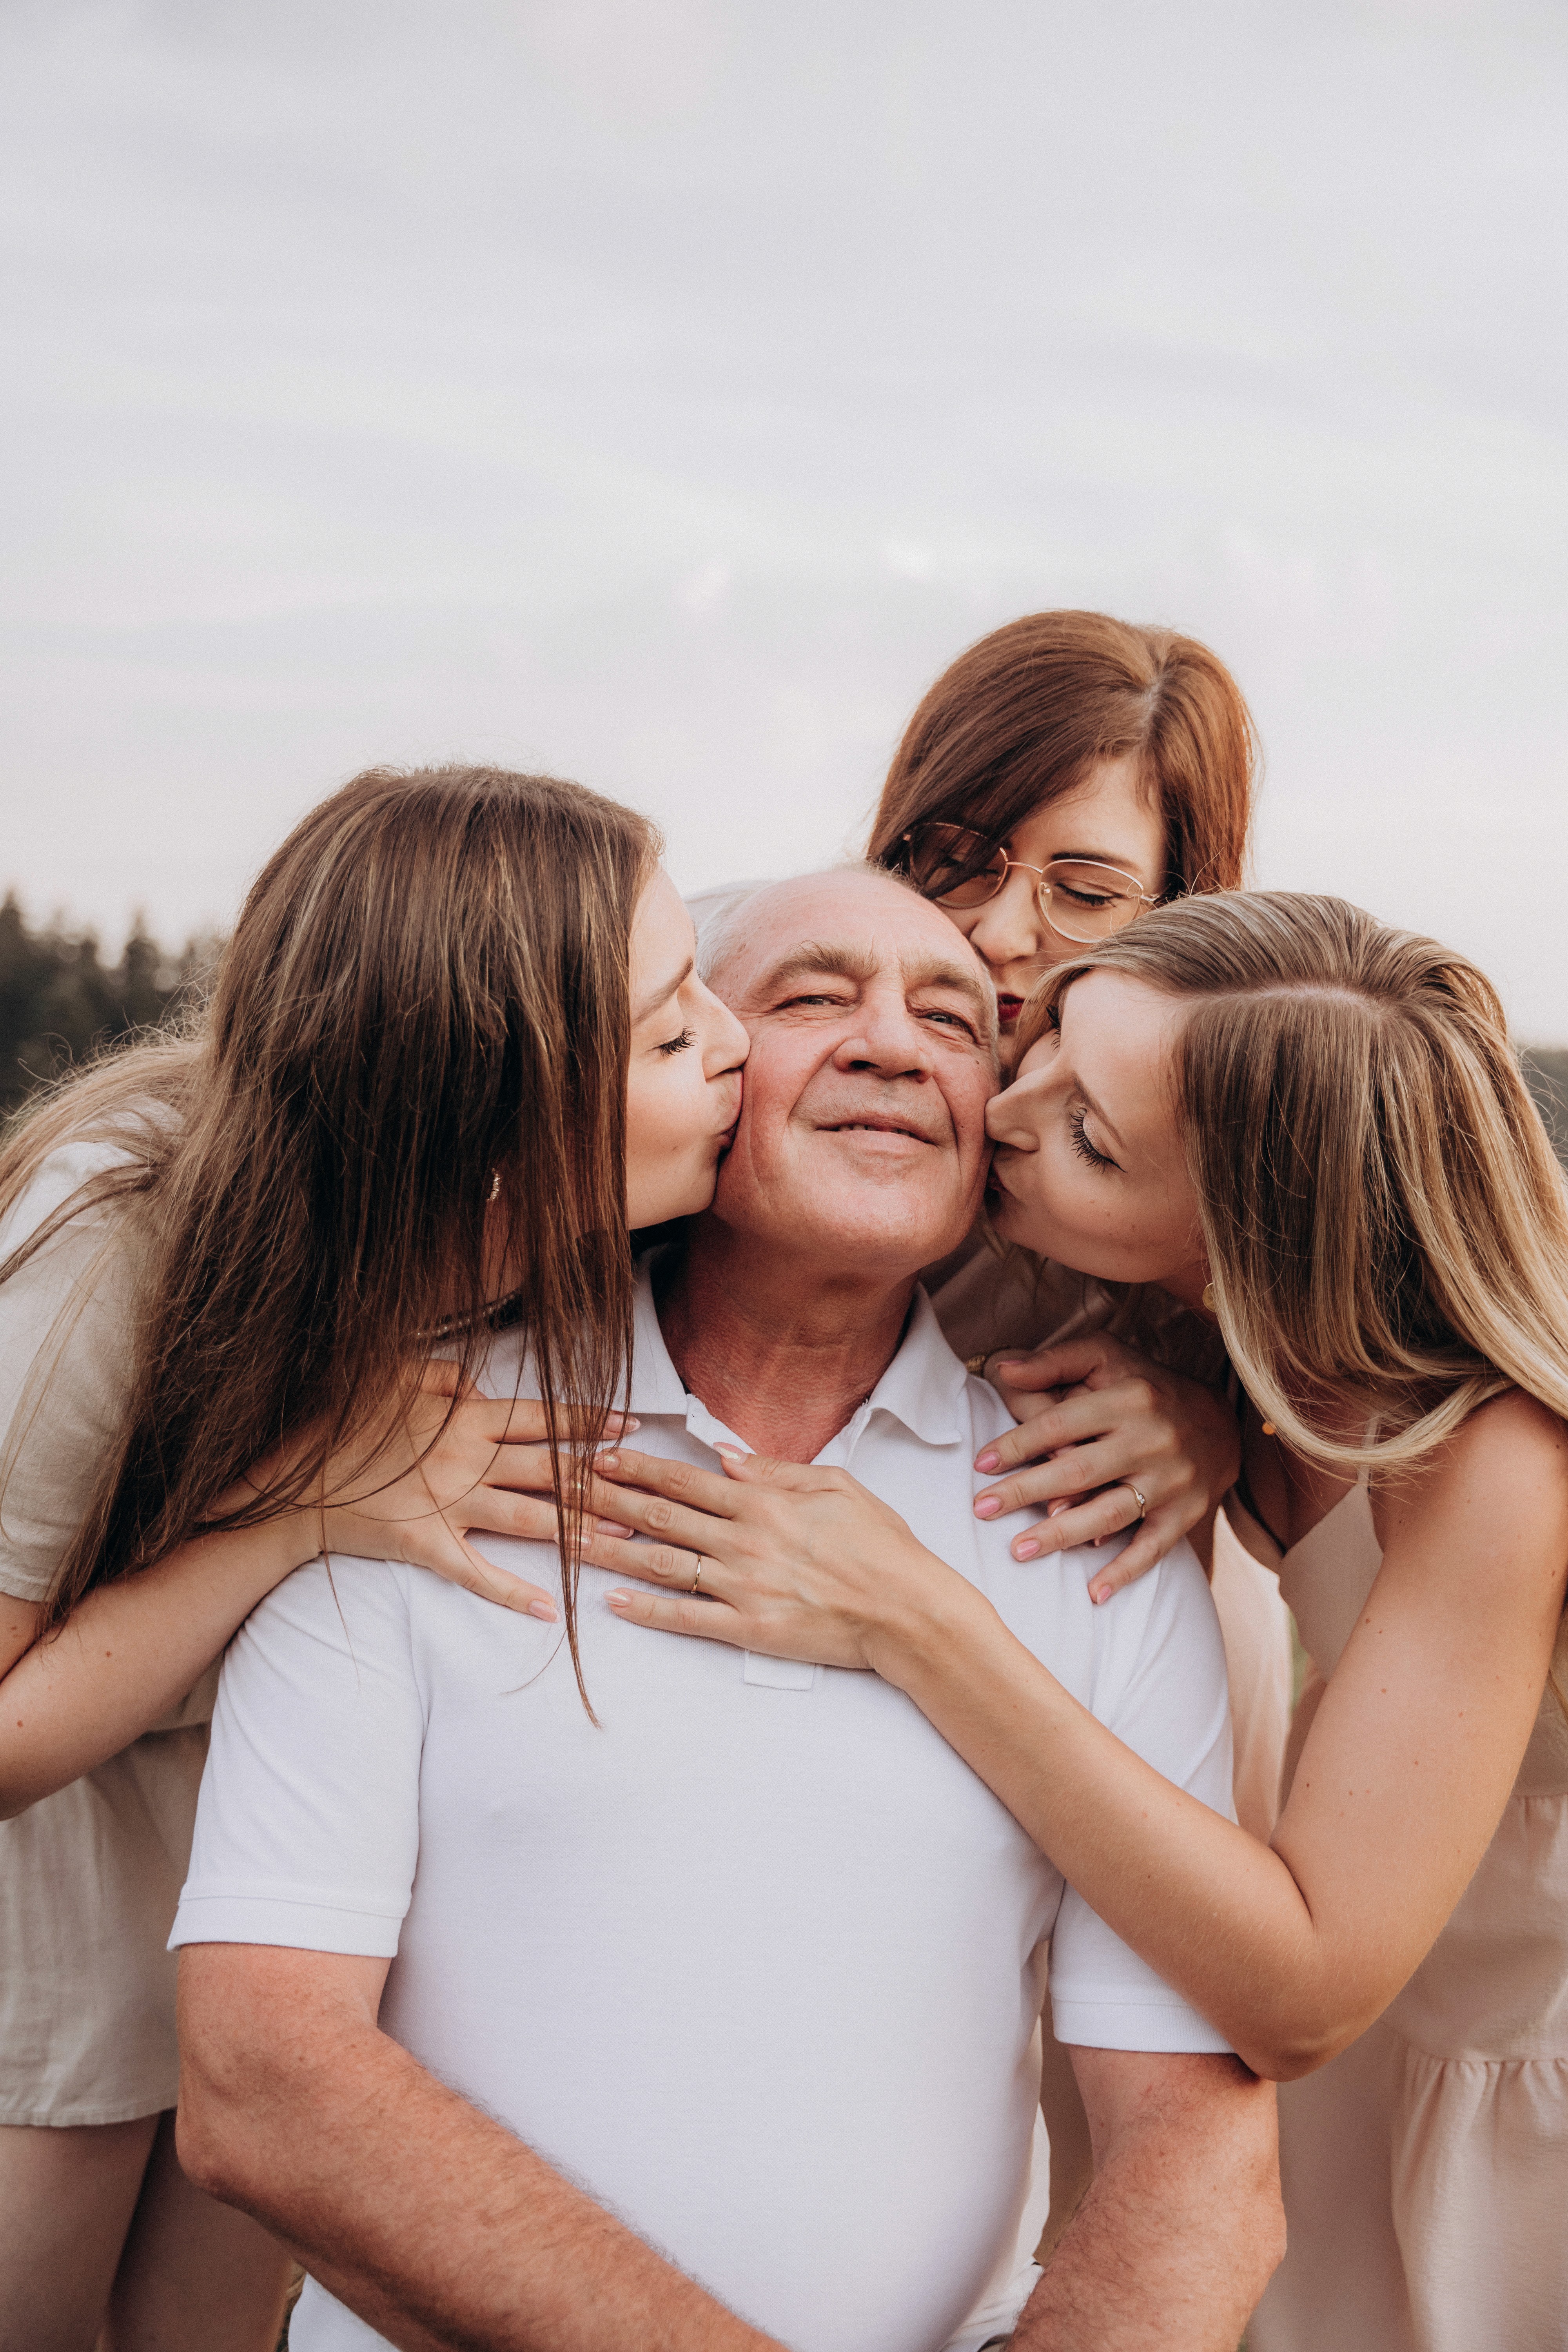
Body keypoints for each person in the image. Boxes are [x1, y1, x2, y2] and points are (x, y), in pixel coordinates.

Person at [172, 867, 1283, 2352]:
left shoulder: (1086, 1517)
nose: (896, 1042)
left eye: (957, 1020)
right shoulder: (415, 1457)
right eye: (816, 998)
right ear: (680, 1074)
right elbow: (262, 2082)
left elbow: (1197, 2139)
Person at [598, 889, 1568, 2352]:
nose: (1010, 1107)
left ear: (1249, 1229)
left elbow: (1301, 1994)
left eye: (1093, 1138)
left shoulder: (1494, 1462)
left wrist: (915, 1616)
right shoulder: (1213, 1353)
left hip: (1496, 2080)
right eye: (1045, 1040)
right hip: (1349, 2068)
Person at [0, 763, 748, 2352]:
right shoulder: (115, 1247)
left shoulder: (574, 1247)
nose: (735, 1047)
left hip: (264, 1911)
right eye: (678, 1035)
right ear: (505, 1120)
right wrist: (299, 1512)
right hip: (46, 1915)